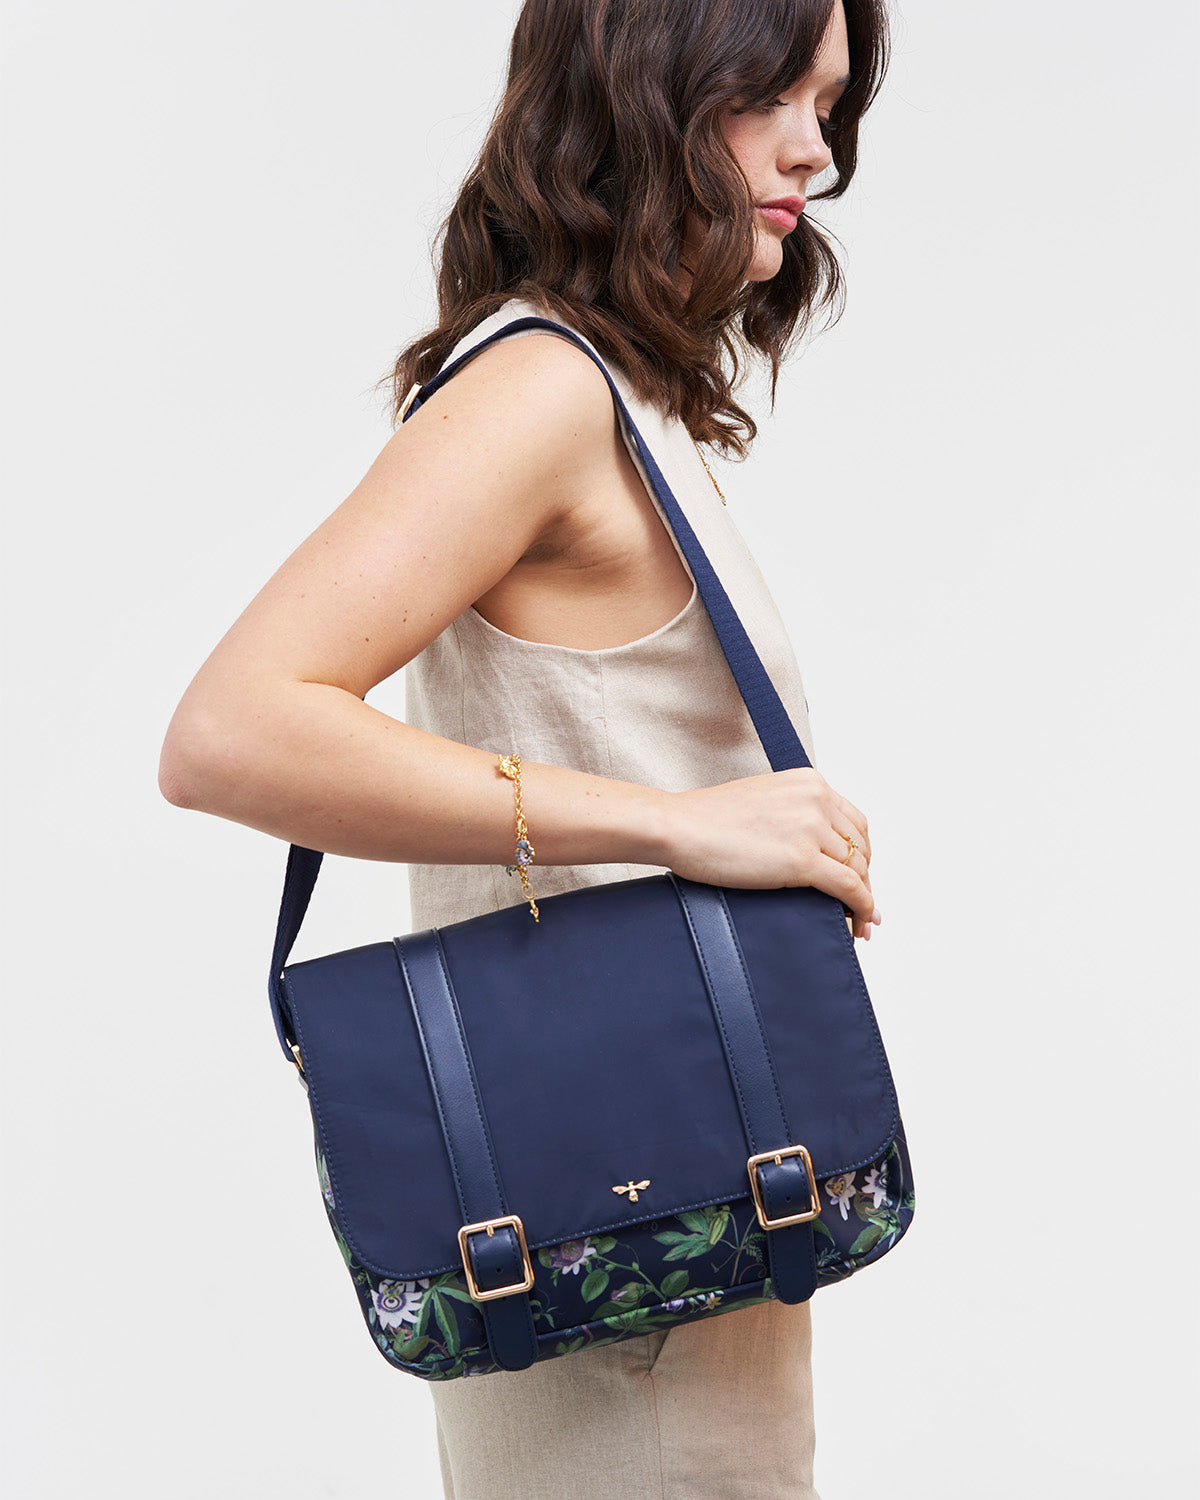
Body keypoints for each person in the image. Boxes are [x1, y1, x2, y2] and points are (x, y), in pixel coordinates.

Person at [159, 0, 891, 1494]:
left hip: (675, 1247)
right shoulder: (543, 389)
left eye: (831, 103)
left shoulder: (620, 394)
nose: (817, 151)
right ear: (654, 89)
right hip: (634, 1288)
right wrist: (684, 826)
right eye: (775, 97)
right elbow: (229, 730)